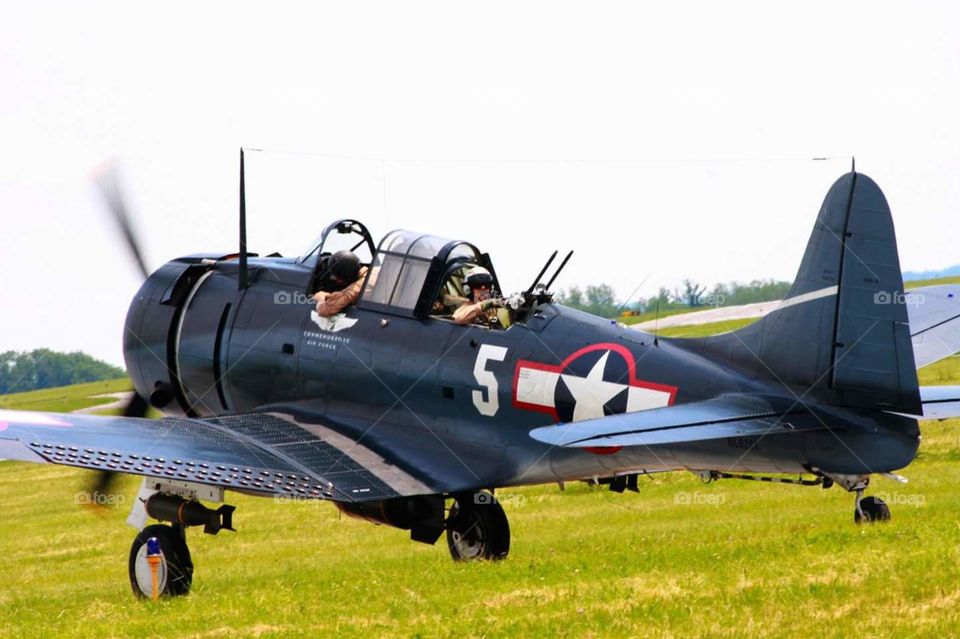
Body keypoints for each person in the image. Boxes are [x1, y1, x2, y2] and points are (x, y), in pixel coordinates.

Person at [311, 250, 368, 317]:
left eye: (335, 276)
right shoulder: (373, 272)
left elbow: (325, 311)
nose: (332, 278)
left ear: (346, 277)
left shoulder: (355, 289)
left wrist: (320, 298)